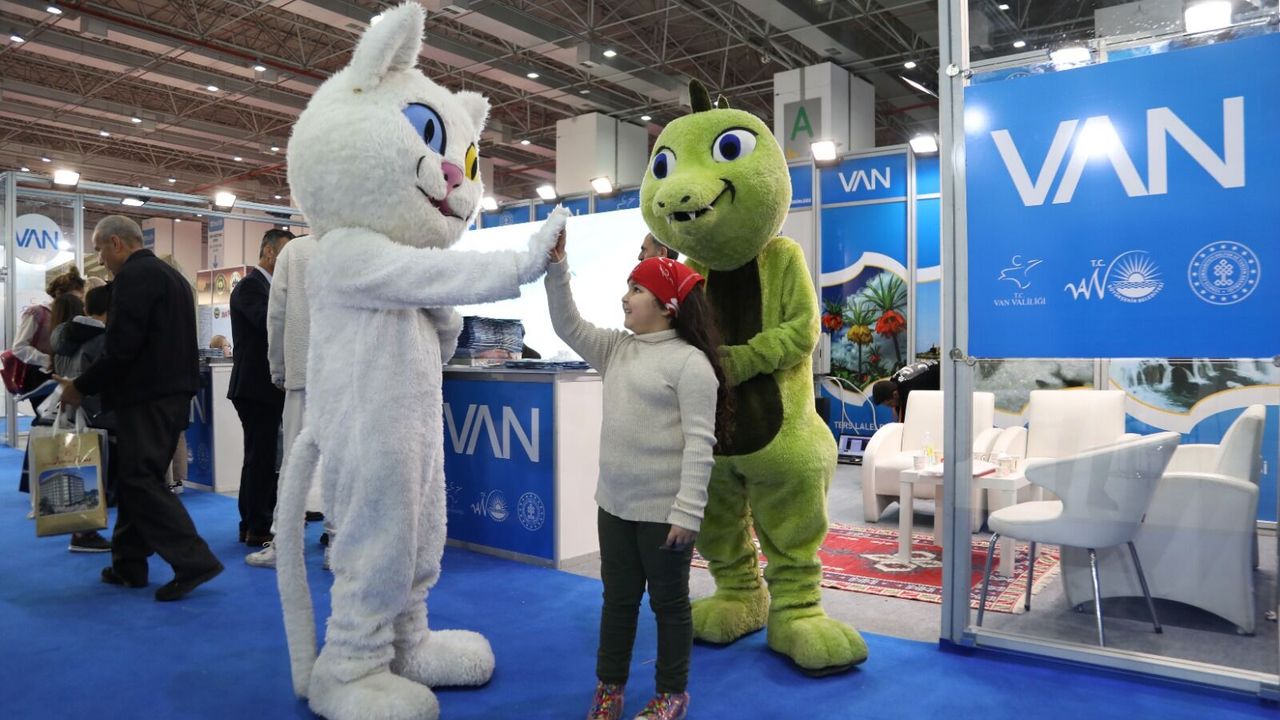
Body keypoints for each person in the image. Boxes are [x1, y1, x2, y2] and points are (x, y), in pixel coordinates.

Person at [546, 230, 729, 720]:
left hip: (665, 515)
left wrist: (688, 514)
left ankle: (672, 693)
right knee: (618, 602)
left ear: (667, 305)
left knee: (669, 605)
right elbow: (567, 324)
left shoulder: (691, 364)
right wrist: (558, 268)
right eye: (628, 287)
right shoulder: (616, 349)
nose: (625, 297)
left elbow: (700, 446)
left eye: (636, 289)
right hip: (614, 506)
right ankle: (610, 686)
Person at [54, 215, 222, 602]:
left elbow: (122, 348)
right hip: (171, 394)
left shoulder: (133, 278)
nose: (100, 259)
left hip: (147, 396)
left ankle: (194, 561)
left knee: (140, 479)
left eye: (99, 249)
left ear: (116, 243)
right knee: (137, 478)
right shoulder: (172, 277)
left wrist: (81, 386)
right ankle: (129, 563)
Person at [246, 233, 321, 569]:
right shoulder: (360, 245)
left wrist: (278, 368)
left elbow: (276, 315)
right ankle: (337, 544)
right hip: (346, 377)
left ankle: (284, 545)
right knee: (342, 463)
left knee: (294, 461)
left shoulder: (296, 251)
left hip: (303, 372)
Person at [229, 228, 293, 548]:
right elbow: (268, 324)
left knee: (262, 456)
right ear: (269, 252)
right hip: (255, 387)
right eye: (286, 254)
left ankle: (252, 522)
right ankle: (257, 525)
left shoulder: (265, 287)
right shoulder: (250, 286)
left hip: (263, 387)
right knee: (261, 458)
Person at [44, 290, 111, 553]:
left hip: (73, 413)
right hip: (97, 414)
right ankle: (85, 532)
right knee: (96, 474)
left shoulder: (65, 337)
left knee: (79, 469)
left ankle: (80, 529)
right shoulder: (102, 340)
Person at [11, 266, 86, 413]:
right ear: (58, 294)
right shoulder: (37, 313)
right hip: (41, 376)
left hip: (67, 374)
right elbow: (19, 347)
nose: (76, 302)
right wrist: (48, 361)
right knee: (46, 417)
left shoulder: (77, 314)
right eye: (74, 298)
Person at [871, 358, 941, 422]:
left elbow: (904, 422)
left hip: (943, 373)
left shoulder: (908, 390)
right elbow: (897, 408)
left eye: (890, 404)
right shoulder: (893, 381)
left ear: (895, 394)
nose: (891, 407)